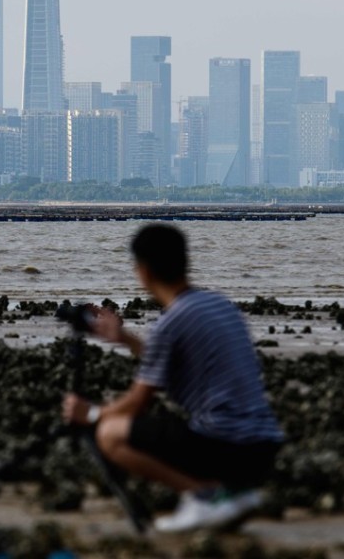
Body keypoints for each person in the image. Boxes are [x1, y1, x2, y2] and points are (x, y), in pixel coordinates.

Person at [62, 223, 284, 533]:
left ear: (143, 272)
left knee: (110, 433)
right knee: (141, 425)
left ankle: (207, 496)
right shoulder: (219, 305)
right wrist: (125, 339)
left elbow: (138, 403)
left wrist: (92, 414)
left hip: (229, 447)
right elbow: (176, 365)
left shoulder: (172, 322)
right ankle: (227, 493)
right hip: (263, 447)